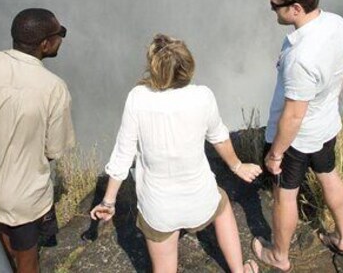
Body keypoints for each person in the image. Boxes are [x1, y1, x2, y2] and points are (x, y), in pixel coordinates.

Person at [90, 34, 262, 273]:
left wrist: (108, 202)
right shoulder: (202, 95)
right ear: (188, 66)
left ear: (154, 68)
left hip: (159, 209)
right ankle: (238, 270)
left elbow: (123, 153)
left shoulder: (138, 98)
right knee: (222, 207)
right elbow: (219, 136)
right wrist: (237, 166)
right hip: (200, 200)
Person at [252, 0, 343, 271]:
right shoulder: (339, 24)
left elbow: (294, 114)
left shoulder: (301, 57)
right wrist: (331, 103)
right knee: (329, 175)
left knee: (285, 195)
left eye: (276, 6)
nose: (272, 12)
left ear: (296, 8)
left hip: (297, 140)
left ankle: (279, 256)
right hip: (325, 126)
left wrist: (275, 154)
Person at [0, 8, 76, 273]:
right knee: (27, 261)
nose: (62, 38)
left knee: (4, 239)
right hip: (24, 197)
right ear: (45, 44)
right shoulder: (53, 87)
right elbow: (55, 149)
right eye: (60, 33)